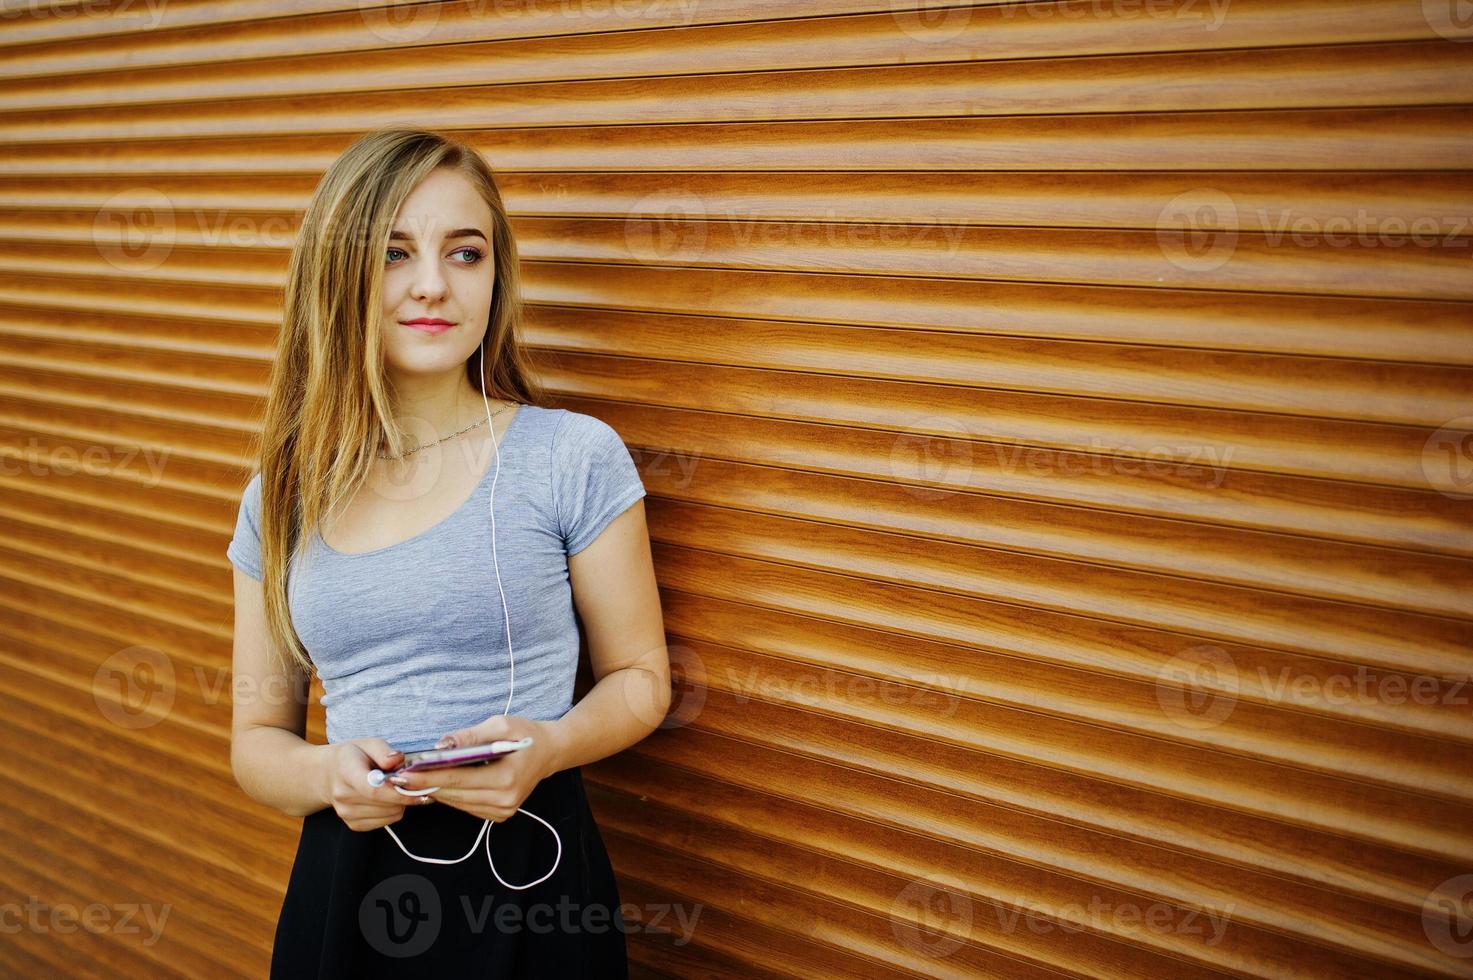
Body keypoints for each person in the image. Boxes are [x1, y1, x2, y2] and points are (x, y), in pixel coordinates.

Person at [225, 127, 670, 978]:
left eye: (464, 253)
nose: (432, 285)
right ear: (338, 273)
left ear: (496, 275)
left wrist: (548, 745)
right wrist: (328, 776)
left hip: (529, 878)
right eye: (394, 252)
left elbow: (642, 681)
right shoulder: (280, 497)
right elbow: (256, 740)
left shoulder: (569, 455)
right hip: (349, 886)